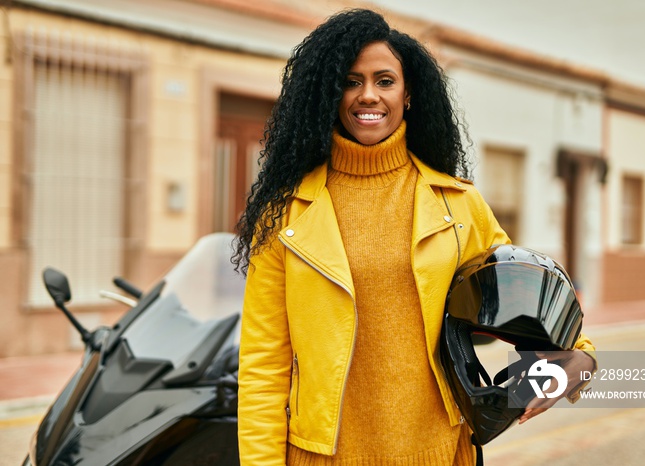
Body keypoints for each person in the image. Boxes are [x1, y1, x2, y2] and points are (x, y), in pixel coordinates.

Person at [232, 8, 596, 465]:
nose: (368, 96)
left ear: (408, 95)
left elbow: (526, 294)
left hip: (437, 452)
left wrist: (579, 356)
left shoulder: (457, 204)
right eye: (350, 81)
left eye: (385, 81)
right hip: (322, 456)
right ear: (329, 93)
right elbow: (263, 368)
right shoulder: (284, 213)